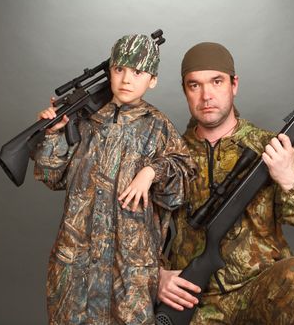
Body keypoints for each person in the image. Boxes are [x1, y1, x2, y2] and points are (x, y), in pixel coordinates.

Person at [158, 42, 294, 324]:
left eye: (216, 82)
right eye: (195, 85)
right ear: (185, 91)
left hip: (259, 296)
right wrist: (156, 275)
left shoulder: (272, 149)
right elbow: (137, 228)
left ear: (234, 84)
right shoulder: (169, 155)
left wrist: (289, 178)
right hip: (192, 300)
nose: (206, 95)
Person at [33, 34, 196, 324]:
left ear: (153, 80)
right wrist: (53, 133)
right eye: (119, 69)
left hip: (129, 273)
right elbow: (50, 175)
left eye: (137, 72)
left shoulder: (158, 127)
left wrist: (151, 171)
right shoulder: (84, 121)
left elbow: (181, 184)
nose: (126, 79)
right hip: (76, 268)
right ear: (110, 72)